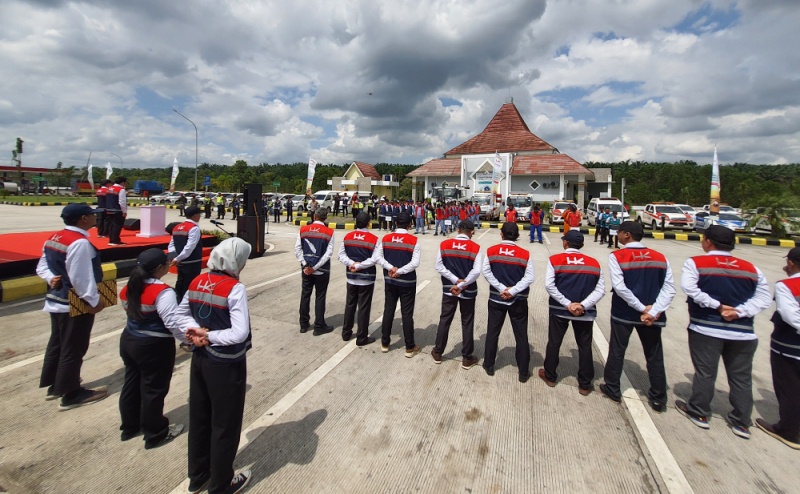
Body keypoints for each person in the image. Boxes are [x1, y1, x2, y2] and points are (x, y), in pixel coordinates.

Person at [675, 225, 772, 438]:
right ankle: (741, 422)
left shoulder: (696, 263)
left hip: (706, 328)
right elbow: (764, 298)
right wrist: (739, 312)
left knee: (705, 373)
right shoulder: (751, 268)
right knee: (741, 378)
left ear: (708, 241)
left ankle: (699, 412)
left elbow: (690, 288)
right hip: (743, 333)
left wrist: (717, 306)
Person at [178, 238, 253, 494]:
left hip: (200, 359)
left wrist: (194, 332)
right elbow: (239, 333)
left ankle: (198, 477)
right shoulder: (234, 288)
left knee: (199, 417)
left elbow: (180, 314)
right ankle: (221, 484)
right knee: (225, 424)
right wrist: (209, 335)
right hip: (226, 364)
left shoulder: (197, 280)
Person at [36, 203, 108, 409]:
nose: (96, 218)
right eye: (92, 215)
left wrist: (51, 278)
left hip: (55, 300)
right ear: (83, 219)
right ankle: (71, 394)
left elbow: (42, 265)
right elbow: (81, 278)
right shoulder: (80, 243)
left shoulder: (55, 237)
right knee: (74, 348)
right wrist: (94, 302)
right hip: (74, 304)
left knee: (57, 344)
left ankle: (54, 385)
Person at [598, 221, 675, 412]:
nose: (618, 236)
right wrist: (653, 310)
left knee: (617, 350)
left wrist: (641, 308)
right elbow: (669, 288)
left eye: (620, 233)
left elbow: (620, 287)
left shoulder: (618, 256)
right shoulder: (660, 257)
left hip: (624, 313)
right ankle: (658, 398)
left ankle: (613, 388)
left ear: (627, 235)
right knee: (654, 355)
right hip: (653, 316)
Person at [118, 249, 187, 448]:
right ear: (159, 268)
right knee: (153, 390)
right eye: (167, 262)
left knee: (131, 383)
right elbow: (172, 323)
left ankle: (130, 426)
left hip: (129, 339)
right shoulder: (163, 292)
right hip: (153, 346)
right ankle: (155, 433)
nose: (169, 264)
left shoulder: (128, 287)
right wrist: (186, 341)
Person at [540, 230, 605, 395]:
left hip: (560, 310)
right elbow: (600, 290)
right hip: (585, 313)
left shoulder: (555, 260)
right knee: (584, 346)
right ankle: (584, 383)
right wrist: (582, 305)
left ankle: (550, 376)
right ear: (582, 245)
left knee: (554, 342)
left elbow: (550, 285)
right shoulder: (594, 263)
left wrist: (568, 304)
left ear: (565, 243)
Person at [757, 247, 800, 449]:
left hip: (789, 346)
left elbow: (790, 316)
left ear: (791, 263)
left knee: (789, 388)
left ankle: (789, 432)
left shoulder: (787, 285)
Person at [482, 222, 535, 381]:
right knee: (521, 336)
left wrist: (501, 289)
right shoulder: (525, 254)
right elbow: (529, 277)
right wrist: (512, 291)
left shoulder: (491, 251)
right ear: (518, 236)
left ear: (501, 234)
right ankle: (523, 372)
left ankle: (489, 365)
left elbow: (486, 272)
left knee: (493, 332)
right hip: (518, 300)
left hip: (497, 299)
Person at [432, 219, 482, 369]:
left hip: (449, 288)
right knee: (467, 322)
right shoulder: (475, 247)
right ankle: (467, 358)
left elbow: (439, 266)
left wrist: (455, 281)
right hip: (468, 290)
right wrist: (463, 284)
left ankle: (438, 352)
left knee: (445, 319)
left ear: (458, 230)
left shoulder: (445, 244)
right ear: (471, 232)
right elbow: (477, 271)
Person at [377, 212, 421, 357]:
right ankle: (409, 347)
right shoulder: (414, 240)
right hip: (407, 282)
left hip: (390, 280)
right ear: (410, 225)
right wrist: (400, 271)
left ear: (395, 224)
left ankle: (384, 343)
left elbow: (378, 257)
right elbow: (415, 263)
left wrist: (391, 269)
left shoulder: (386, 238)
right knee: (407, 314)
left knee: (388, 310)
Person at [338, 212, 380, 346]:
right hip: (366, 279)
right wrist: (360, 265)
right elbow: (375, 259)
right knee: (364, 308)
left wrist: (352, 264)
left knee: (350, 305)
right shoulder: (374, 239)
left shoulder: (348, 236)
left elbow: (341, 255)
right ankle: (361, 338)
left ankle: (346, 332)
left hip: (351, 277)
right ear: (369, 223)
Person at [295, 207, 335, 335]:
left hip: (306, 269)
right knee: (320, 296)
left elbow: (298, 249)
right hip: (321, 270)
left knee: (305, 295)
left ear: (314, 216)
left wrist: (305, 264)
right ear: (325, 218)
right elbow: (328, 253)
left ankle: (303, 324)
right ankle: (319, 326)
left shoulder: (303, 230)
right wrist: (316, 267)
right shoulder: (329, 232)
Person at [168, 206, 203, 304]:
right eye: (199, 214)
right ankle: (187, 305)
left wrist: (175, 257)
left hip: (180, 262)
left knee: (180, 282)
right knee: (190, 284)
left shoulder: (177, 227)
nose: (200, 216)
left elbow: (171, 244)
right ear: (195, 216)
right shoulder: (194, 228)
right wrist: (178, 258)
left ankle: (177, 302)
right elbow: (190, 247)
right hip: (192, 262)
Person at [105, 176, 128, 245]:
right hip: (117, 210)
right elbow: (122, 201)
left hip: (109, 209)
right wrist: (124, 211)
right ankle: (115, 240)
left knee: (111, 225)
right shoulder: (121, 189)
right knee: (117, 225)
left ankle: (111, 240)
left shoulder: (109, 189)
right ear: (122, 182)